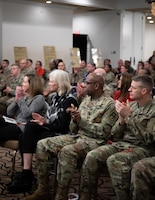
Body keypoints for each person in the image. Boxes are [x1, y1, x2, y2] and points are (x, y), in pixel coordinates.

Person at [24, 72, 118, 200]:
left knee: (68, 151)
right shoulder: (85, 101)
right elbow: (73, 130)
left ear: (97, 85)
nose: (83, 86)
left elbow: (105, 133)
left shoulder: (109, 105)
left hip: (96, 142)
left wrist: (81, 121)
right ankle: (43, 189)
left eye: (87, 83)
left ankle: (61, 195)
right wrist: (74, 119)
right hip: (78, 137)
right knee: (43, 144)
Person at [79, 75, 155, 200]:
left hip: (142, 149)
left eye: (133, 88)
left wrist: (129, 118)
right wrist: (121, 121)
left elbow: (148, 139)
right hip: (122, 144)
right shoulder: (132, 106)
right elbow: (115, 135)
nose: (129, 90)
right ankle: (86, 196)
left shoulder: (153, 110)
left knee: (114, 160)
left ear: (144, 91)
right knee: (93, 156)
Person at [8, 69, 78, 193]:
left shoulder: (69, 100)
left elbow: (62, 127)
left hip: (61, 134)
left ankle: (27, 174)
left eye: (51, 81)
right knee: (25, 133)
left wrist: (44, 123)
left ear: (59, 83)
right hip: (51, 128)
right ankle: (27, 173)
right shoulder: (55, 97)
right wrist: (43, 121)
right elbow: (51, 120)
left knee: (29, 128)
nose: (49, 84)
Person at [0, 73, 47, 155]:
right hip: (16, 123)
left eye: (25, 82)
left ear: (32, 84)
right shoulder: (25, 97)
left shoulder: (39, 98)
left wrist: (20, 99)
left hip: (23, 127)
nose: (22, 84)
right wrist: (16, 100)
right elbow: (9, 112)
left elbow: (28, 114)